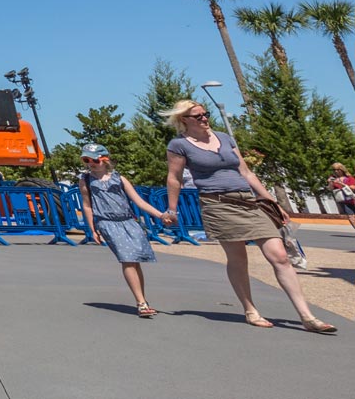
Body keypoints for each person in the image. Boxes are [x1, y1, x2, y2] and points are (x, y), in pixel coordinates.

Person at [161, 100, 333, 332]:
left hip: (249, 202)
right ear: (184, 120)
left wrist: (270, 200)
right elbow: (174, 177)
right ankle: (250, 309)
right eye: (198, 116)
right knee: (239, 259)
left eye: (206, 114)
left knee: (280, 256)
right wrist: (172, 209)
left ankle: (307, 316)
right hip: (219, 205)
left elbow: (246, 171)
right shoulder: (179, 145)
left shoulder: (224, 137)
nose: (204, 118)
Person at [77, 143, 167, 317]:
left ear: (105, 159)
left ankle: (143, 299)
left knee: (135, 261)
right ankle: (141, 303)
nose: (91, 163)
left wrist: (161, 215)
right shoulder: (85, 180)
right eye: (86, 160)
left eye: (94, 160)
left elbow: (138, 201)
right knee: (127, 259)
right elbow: (87, 205)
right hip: (108, 223)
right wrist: (92, 228)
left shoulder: (119, 178)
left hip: (128, 221)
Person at [331, 162, 355, 229]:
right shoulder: (334, 178)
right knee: (351, 216)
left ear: (342, 169)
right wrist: (330, 182)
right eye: (334, 170)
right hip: (343, 201)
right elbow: (331, 189)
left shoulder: (349, 178)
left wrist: (343, 184)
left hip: (352, 199)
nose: (336, 171)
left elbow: (353, 187)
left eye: (337, 169)